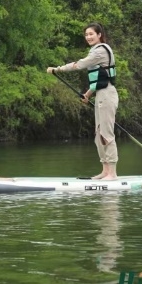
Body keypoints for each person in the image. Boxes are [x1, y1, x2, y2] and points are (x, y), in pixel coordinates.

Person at [47, 23, 119, 180]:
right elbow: (99, 79)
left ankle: (112, 174)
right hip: (101, 94)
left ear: (99, 35)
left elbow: (80, 64)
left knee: (106, 134)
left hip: (107, 95)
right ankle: (105, 171)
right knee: (98, 135)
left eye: (91, 34)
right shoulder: (95, 51)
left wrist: (57, 69)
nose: (88, 37)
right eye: (86, 35)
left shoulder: (100, 51)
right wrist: (87, 94)